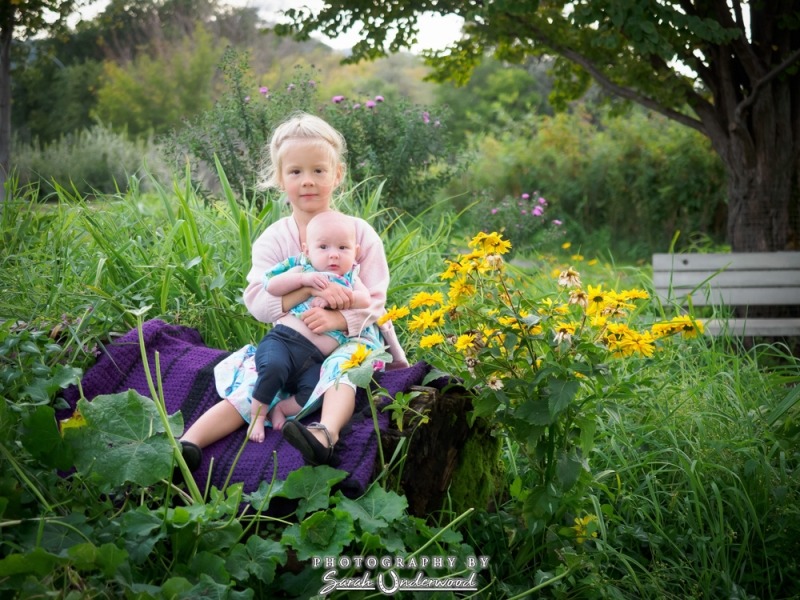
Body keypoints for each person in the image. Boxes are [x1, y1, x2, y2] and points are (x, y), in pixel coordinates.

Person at [179, 111, 408, 470]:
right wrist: (303, 290)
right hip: (294, 340)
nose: (308, 182)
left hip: (352, 338)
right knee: (256, 381)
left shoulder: (358, 233)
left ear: (337, 175)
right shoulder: (275, 239)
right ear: (280, 179)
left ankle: (324, 435)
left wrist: (337, 315)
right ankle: (190, 442)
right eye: (296, 172)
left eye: (319, 170)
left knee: (342, 368)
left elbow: (376, 299)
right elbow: (257, 300)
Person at [248, 210, 376, 440]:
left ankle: (283, 409)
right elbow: (271, 286)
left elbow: (366, 300)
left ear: (355, 252)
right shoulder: (304, 270)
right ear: (307, 250)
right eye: (324, 248)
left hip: (316, 359)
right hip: (283, 342)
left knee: (315, 391)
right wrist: (302, 282)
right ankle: (257, 416)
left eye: (342, 248)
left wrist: (340, 298)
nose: (333, 256)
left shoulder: (350, 279)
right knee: (273, 369)